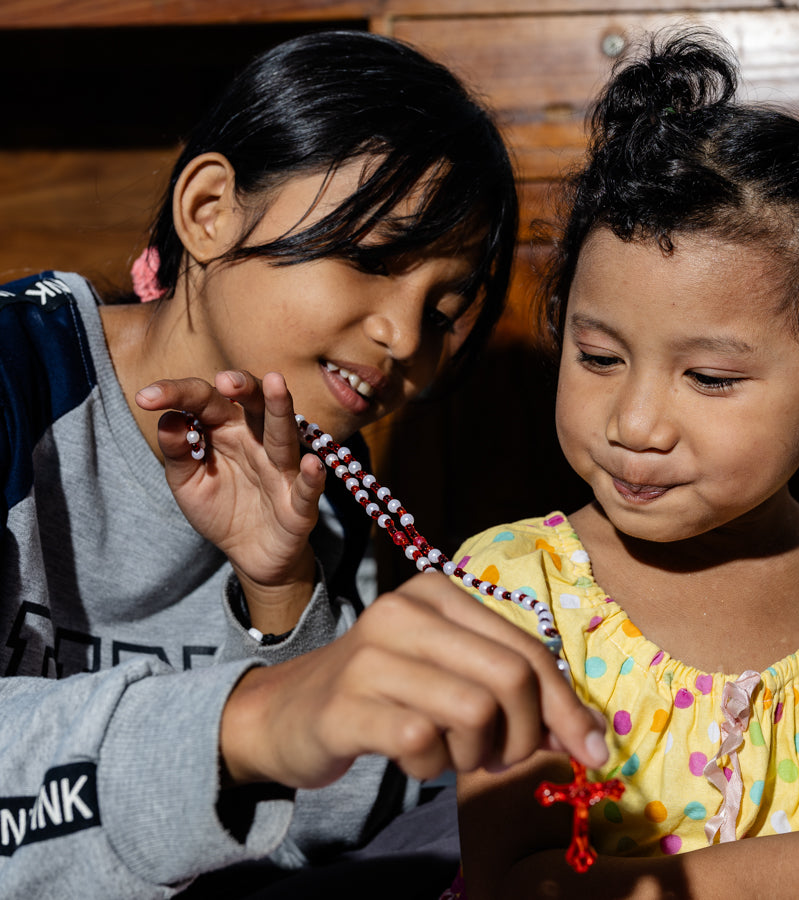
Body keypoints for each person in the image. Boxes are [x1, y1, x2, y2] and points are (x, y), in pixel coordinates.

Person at [0, 30, 609, 899]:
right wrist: (252, 720)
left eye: (442, 312)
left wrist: (283, 592)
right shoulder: (19, 377)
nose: (403, 337)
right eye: (372, 259)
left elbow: (328, 829)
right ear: (209, 210)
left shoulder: (324, 467)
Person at [451, 29, 799, 899]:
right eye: (599, 358)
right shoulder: (520, 599)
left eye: (708, 378)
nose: (634, 423)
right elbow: (515, 883)